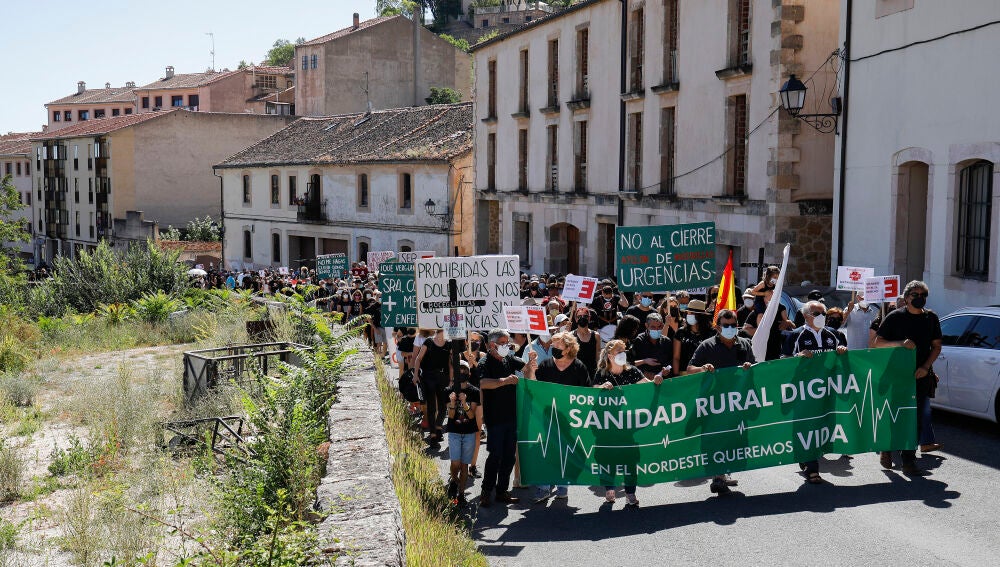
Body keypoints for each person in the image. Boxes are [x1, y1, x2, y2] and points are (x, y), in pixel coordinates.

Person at [873, 281, 943, 475]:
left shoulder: (931, 318)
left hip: (920, 375)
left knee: (916, 418)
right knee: (894, 414)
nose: (919, 297)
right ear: (906, 297)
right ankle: (887, 447)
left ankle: (908, 460)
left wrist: (925, 367)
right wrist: (900, 343)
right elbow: (877, 343)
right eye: (915, 294)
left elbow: (936, 346)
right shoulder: (895, 317)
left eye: (923, 294)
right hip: (896, 375)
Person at [687, 309, 756, 494]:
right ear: (717, 327)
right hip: (714, 402)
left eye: (734, 325)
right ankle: (717, 476)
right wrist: (702, 368)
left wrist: (750, 368)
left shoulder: (745, 344)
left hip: (738, 401)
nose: (731, 328)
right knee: (715, 437)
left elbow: (756, 368)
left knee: (734, 437)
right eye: (726, 326)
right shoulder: (706, 345)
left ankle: (724, 473)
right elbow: (689, 368)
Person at [785, 301, 848, 484]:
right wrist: (798, 357)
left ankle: (807, 458)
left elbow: (844, 360)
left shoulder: (834, 335)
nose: (821, 316)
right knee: (807, 427)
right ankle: (812, 467)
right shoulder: (796, 336)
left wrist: (843, 351)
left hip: (828, 391)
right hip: (804, 391)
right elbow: (783, 363)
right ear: (806, 316)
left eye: (823, 313)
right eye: (816, 313)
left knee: (823, 426)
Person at [524, 332, 591, 502]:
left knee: (566, 451)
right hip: (548, 416)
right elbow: (533, 385)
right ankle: (544, 487)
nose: (553, 348)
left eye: (557, 345)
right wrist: (531, 369)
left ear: (568, 348)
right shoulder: (546, 365)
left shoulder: (579, 367)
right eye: (553, 345)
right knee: (547, 451)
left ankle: (563, 484)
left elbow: (586, 393)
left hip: (570, 418)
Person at [593, 340, 649, 505]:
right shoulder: (602, 374)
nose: (623, 355)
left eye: (624, 351)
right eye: (619, 352)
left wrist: (658, 381)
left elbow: (648, 386)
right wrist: (602, 387)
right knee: (607, 459)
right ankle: (609, 488)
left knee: (630, 460)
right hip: (607, 427)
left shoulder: (632, 371)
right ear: (610, 356)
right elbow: (592, 392)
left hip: (628, 427)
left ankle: (630, 493)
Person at [477, 329, 525, 507]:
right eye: (503, 343)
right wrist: (504, 381)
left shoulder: (509, 358)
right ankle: (486, 491)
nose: (507, 346)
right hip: (494, 418)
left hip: (512, 416)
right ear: (492, 345)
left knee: (509, 457)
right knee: (495, 456)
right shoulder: (484, 362)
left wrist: (532, 361)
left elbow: (526, 366)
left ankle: (502, 491)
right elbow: (483, 383)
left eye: (507, 343)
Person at [445, 360, 481, 506]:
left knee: (465, 465)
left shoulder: (474, 391)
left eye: (465, 370)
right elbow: (451, 416)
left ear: (469, 372)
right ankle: (454, 480)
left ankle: (461, 494)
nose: (462, 373)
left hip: (469, 433)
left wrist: (465, 403)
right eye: (459, 370)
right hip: (454, 431)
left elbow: (472, 416)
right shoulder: (449, 391)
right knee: (455, 463)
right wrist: (453, 403)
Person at [412, 329, 452, 445]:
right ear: (440, 331)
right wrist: (415, 375)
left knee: (443, 405)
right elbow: (418, 359)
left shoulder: (449, 344)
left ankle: (438, 427)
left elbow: (451, 364)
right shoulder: (428, 342)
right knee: (431, 406)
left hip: (443, 377)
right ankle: (433, 434)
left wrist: (451, 379)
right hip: (429, 376)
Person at [673, 300, 715, 376]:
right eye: (688, 312)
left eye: (692, 313)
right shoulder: (681, 332)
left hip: (706, 373)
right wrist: (676, 376)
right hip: (684, 374)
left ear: (700, 316)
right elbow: (676, 357)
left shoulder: (712, 333)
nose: (689, 315)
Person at [629, 313, 673, 379]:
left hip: (663, 380)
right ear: (646, 325)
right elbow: (631, 363)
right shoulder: (639, 341)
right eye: (653, 327)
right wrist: (644, 370)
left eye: (659, 327)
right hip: (644, 381)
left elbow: (671, 361)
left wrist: (667, 370)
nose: (656, 329)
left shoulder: (666, 341)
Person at [572, 306, 601, 378]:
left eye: (585, 316)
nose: (582, 318)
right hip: (577, 372)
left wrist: (599, 371)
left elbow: (598, 355)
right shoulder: (571, 336)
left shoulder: (596, 335)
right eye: (579, 316)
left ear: (589, 318)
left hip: (592, 371)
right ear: (576, 319)